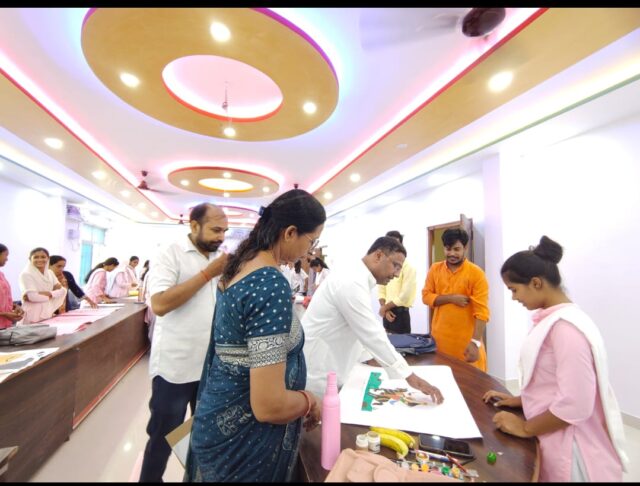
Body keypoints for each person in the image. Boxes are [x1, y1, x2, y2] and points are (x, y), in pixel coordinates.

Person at [186, 189, 325, 482]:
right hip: (244, 440)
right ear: (290, 232)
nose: (309, 251)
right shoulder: (269, 283)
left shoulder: (241, 263)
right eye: (311, 241)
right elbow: (268, 405)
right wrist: (309, 400)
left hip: (218, 417)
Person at [482, 236, 627, 482]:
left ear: (536, 283)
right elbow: (552, 380)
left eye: (514, 290)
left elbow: (576, 403)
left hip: (571, 449)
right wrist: (524, 400)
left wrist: (525, 427)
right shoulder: (554, 320)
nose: (514, 298)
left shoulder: (566, 330)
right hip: (554, 432)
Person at [139, 203, 229, 482]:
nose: (221, 237)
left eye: (224, 231)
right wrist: (208, 274)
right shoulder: (170, 253)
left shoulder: (218, 258)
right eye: (215, 230)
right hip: (175, 367)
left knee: (204, 436)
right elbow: (160, 304)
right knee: (163, 437)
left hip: (209, 366)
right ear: (194, 226)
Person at [302, 236, 444, 403]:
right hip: (317, 371)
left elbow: (357, 328)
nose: (397, 274)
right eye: (395, 266)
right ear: (378, 256)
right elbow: (370, 332)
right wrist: (409, 376)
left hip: (330, 365)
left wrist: (372, 358)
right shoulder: (351, 281)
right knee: (322, 416)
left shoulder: (357, 278)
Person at [421, 228, 490, 371]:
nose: (452, 253)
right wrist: (451, 298)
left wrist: (475, 342)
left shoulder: (476, 274)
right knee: (442, 380)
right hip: (440, 342)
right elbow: (426, 297)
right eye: (448, 249)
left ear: (465, 248)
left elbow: (482, 313)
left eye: (456, 249)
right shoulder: (435, 269)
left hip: (466, 344)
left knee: (471, 382)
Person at [377, 230, 417, 334]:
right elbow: (381, 290)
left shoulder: (408, 267)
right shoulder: (384, 266)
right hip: (387, 314)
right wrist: (385, 309)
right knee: (386, 343)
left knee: (402, 344)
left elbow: (405, 296)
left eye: (396, 245)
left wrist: (385, 308)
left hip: (400, 316)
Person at [18, 247, 67, 325]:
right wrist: (53, 294)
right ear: (30, 259)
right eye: (36, 257)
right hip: (32, 315)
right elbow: (32, 297)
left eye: (43, 257)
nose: (40, 259)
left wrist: (49, 293)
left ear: (48, 258)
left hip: (47, 312)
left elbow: (63, 291)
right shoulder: (26, 275)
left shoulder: (50, 273)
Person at [0, 243, 24, 328]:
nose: (7, 259)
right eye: (5, 255)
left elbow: (4, 298)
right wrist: (4, 314)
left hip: (5, 325)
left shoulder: (1, 275)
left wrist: (15, 306)